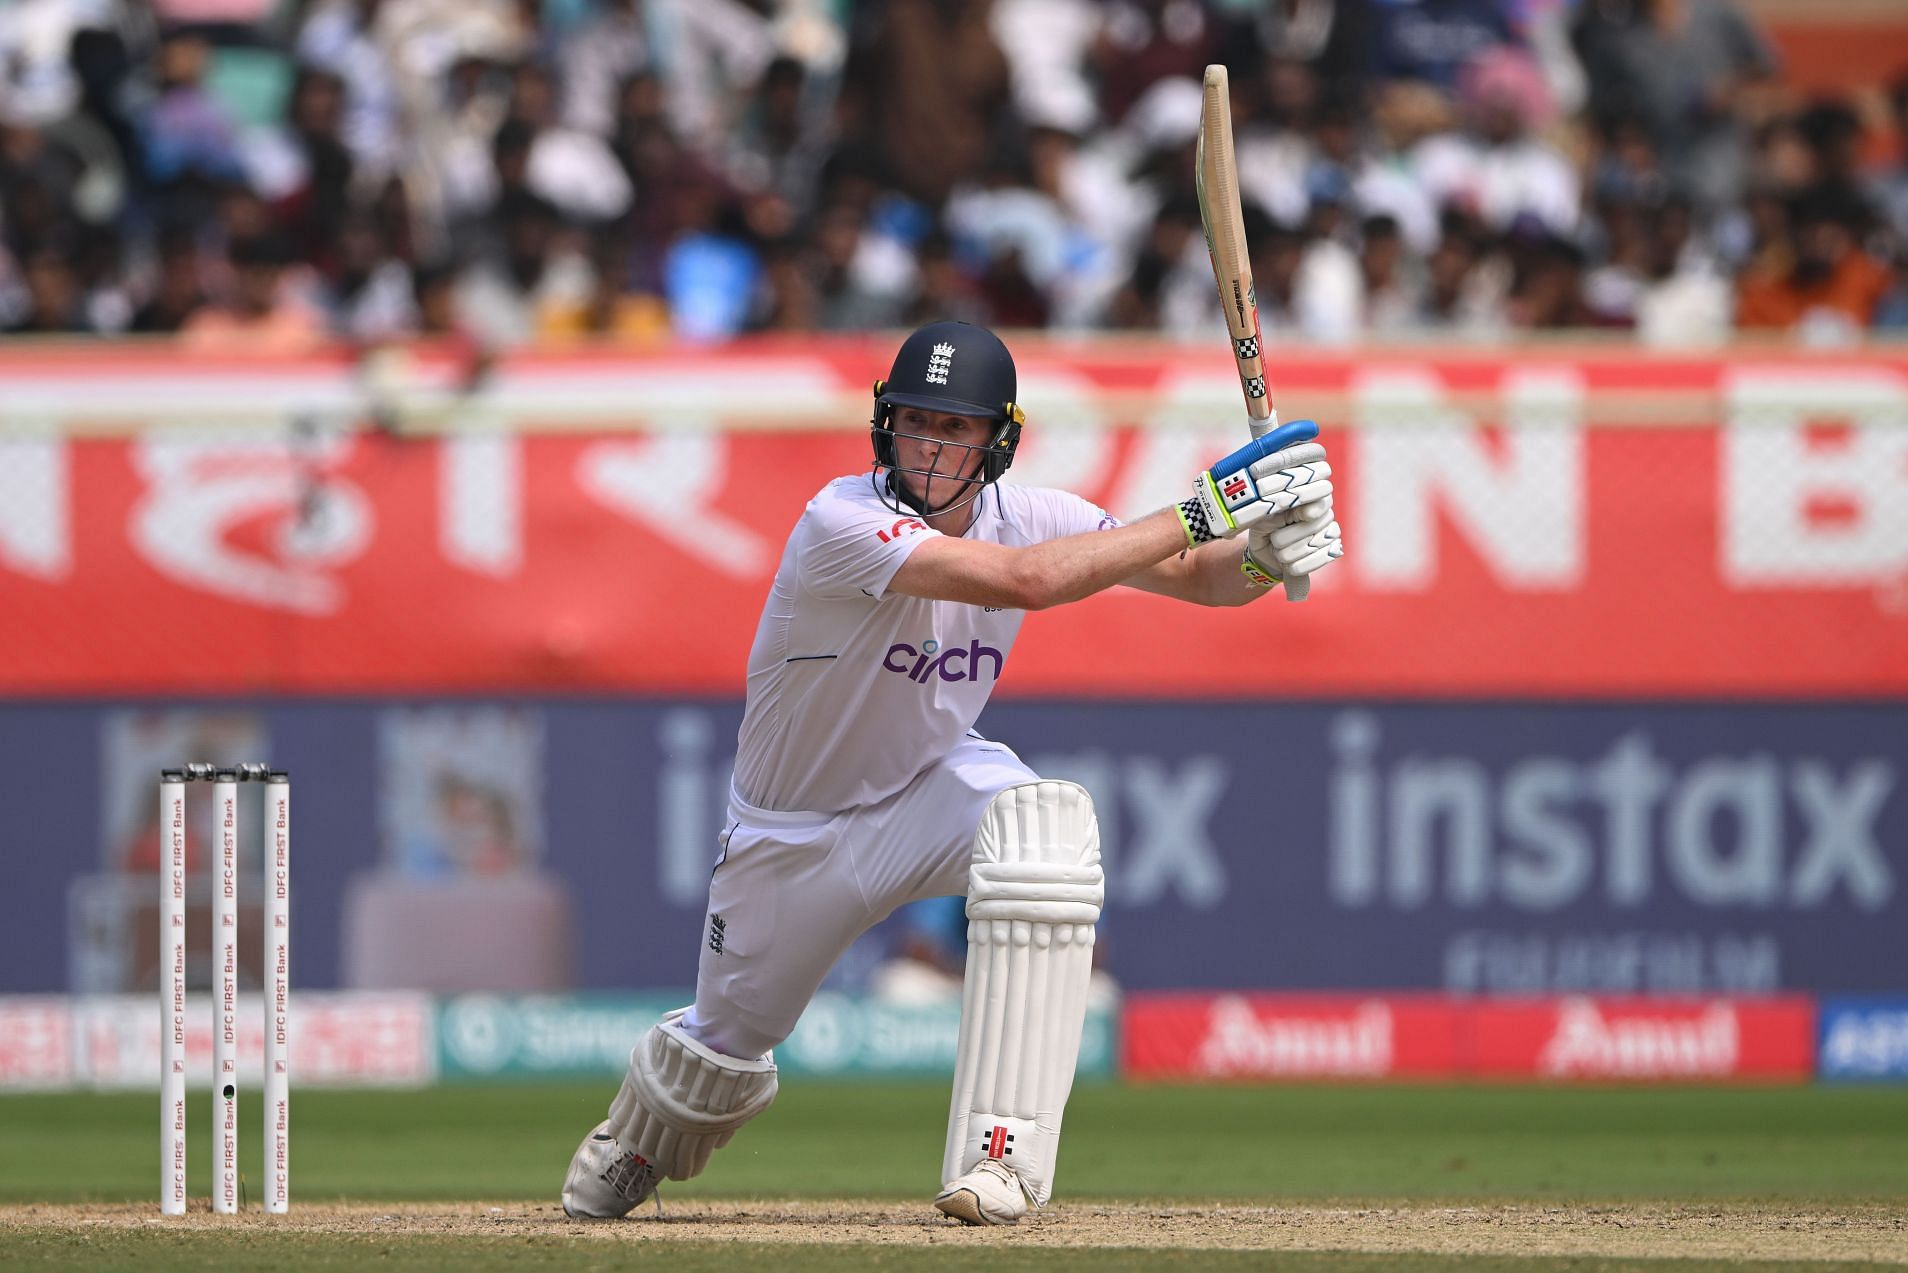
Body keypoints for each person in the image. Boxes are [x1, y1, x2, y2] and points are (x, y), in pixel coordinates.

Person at [559, 320, 1344, 1225]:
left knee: (1046, 831)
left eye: (956, 428)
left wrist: (1261, 551)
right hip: (792, 834)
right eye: (915, 423)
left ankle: (1000, 1158)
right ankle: (637, 1141)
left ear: (998, 440)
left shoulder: (1037, 512)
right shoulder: (839, 521)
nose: (930, 447)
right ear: (884, 425)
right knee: (724, 1055)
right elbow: (1025, 583)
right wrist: (1211, 505)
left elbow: (1199, 578)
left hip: (930, 787)